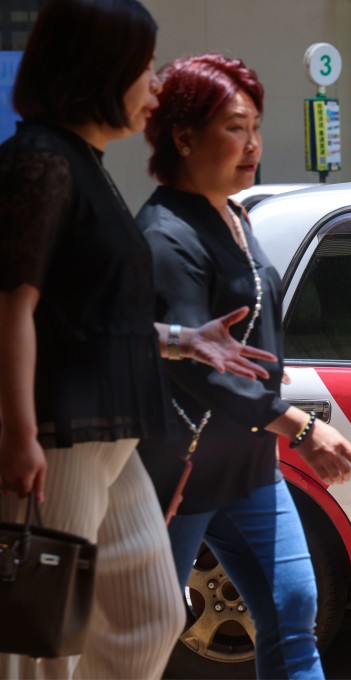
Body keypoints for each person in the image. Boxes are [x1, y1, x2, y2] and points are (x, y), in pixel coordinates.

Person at [0, 2, 278, 678]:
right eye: (146, 69)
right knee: (43, 643)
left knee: (150, 619)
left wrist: (185, 339)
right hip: (60, 440)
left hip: (108, 439)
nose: (153, 90)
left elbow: (85, 316)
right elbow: (13, 308)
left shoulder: (81, 164)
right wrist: (18, 432)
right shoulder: (42, 160)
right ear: (100, 70)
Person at [137, 52, 351, 679]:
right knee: (145, 637)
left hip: (247, 464)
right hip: (178, 471)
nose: (252, 143)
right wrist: (297, 424)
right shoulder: (164, 234)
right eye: (234, 127)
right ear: (183, 137)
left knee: (294, 610)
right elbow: (197, 370)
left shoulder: (233, 213)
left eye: (256, 126)